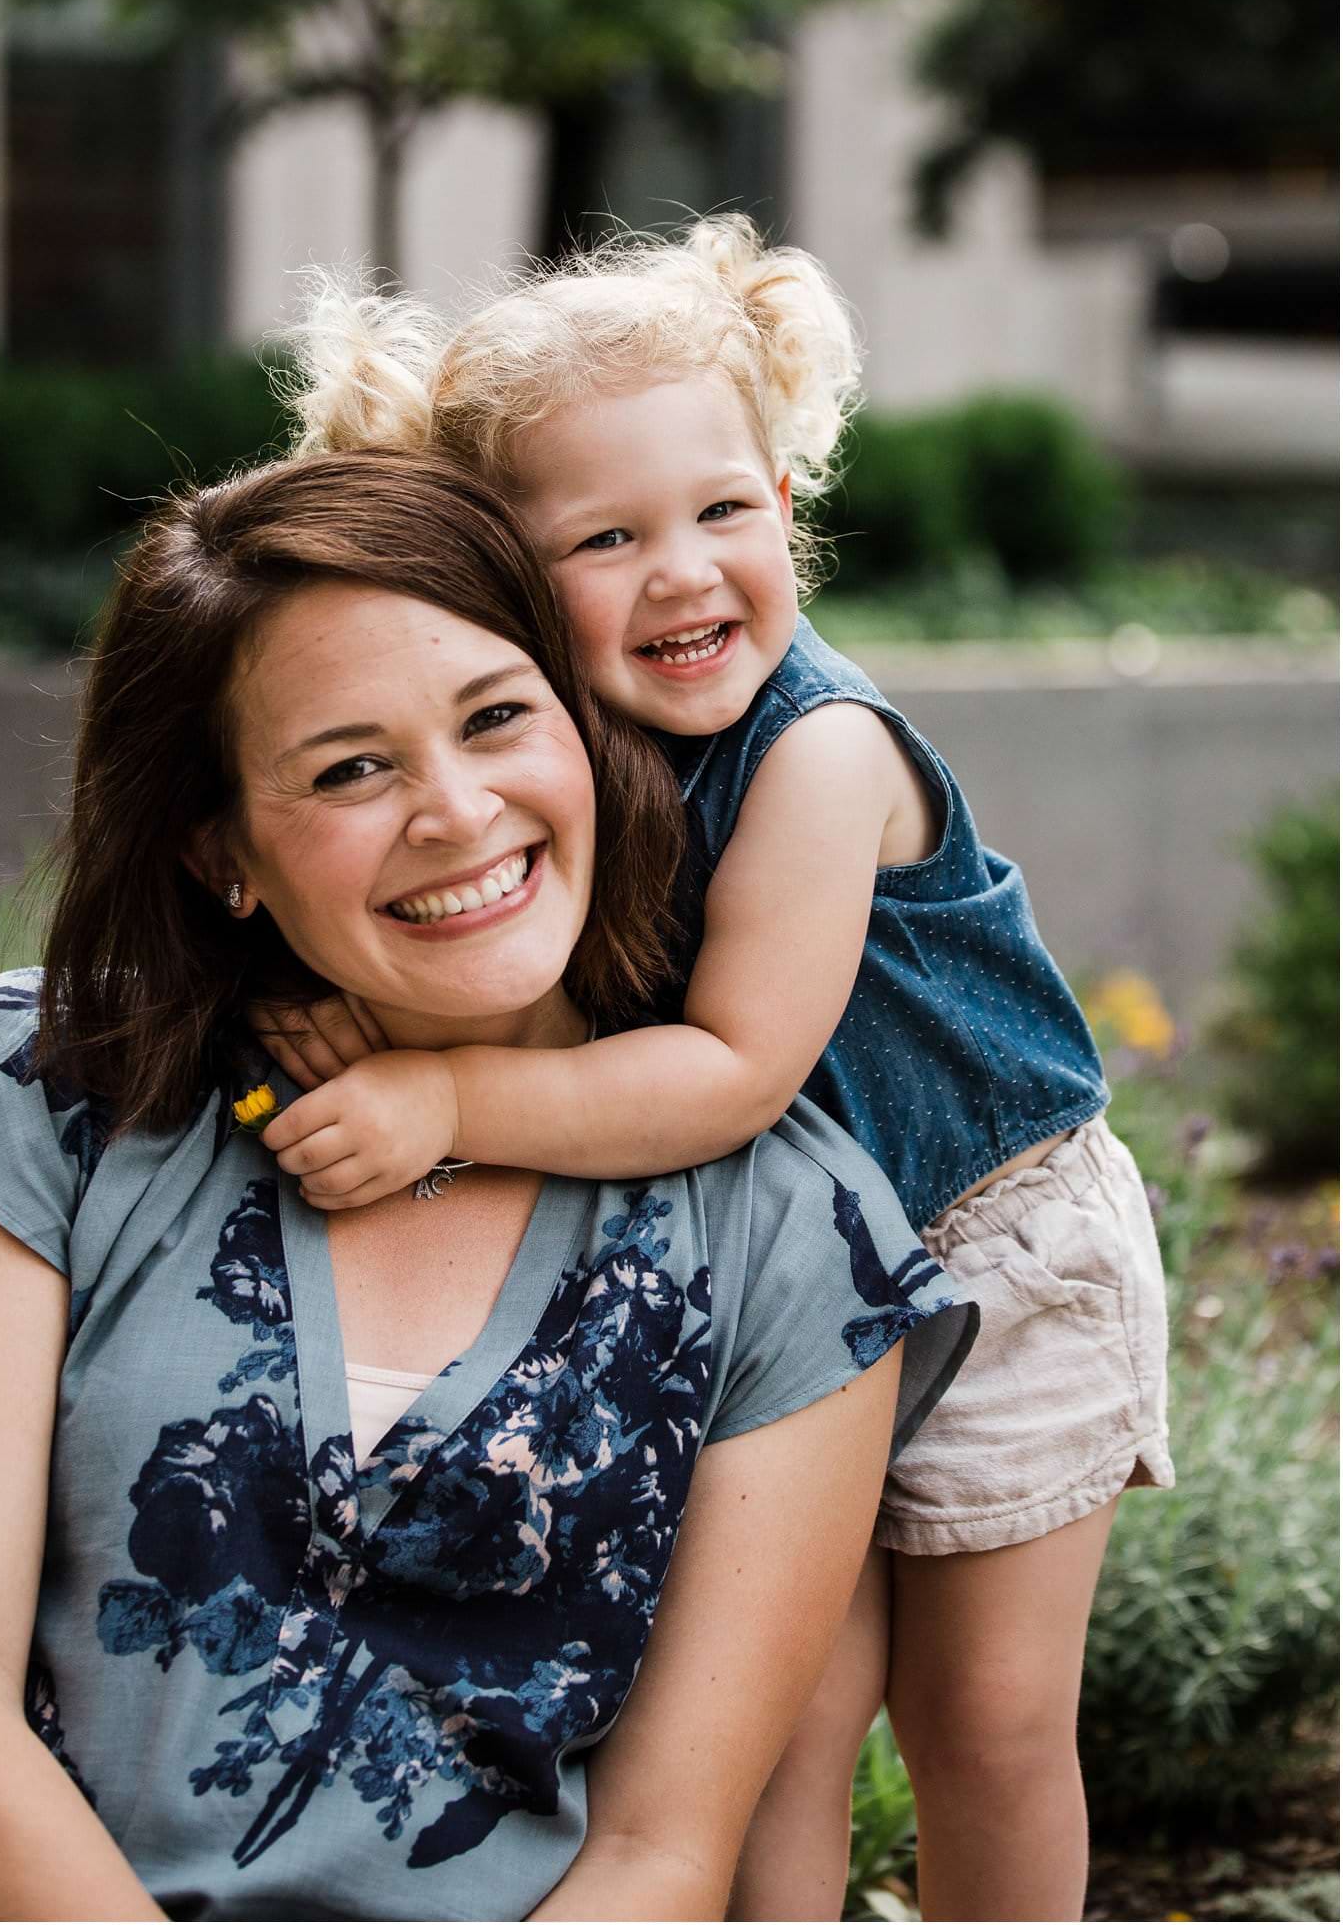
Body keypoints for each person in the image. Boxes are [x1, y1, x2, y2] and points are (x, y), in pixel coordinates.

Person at [255, 215, 1175, 1922]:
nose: (683, 570)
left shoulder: (819, 751)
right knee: (776, 1715)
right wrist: (372, 1027)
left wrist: (443, 1103)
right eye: (607, 537)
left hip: (996, 1241)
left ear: (788, 503)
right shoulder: (555, 747)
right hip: (779, 1293)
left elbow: (738, 1065)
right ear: (507, 584)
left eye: (723, 511)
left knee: (980, 1717)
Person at [0, 450, 975, 1925]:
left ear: (584, 731)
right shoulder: (54, 1095)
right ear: (222, 851)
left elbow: (662, 1856)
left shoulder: (790, 1242)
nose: (455, 811)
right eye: (349, 768)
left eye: (499, 718)